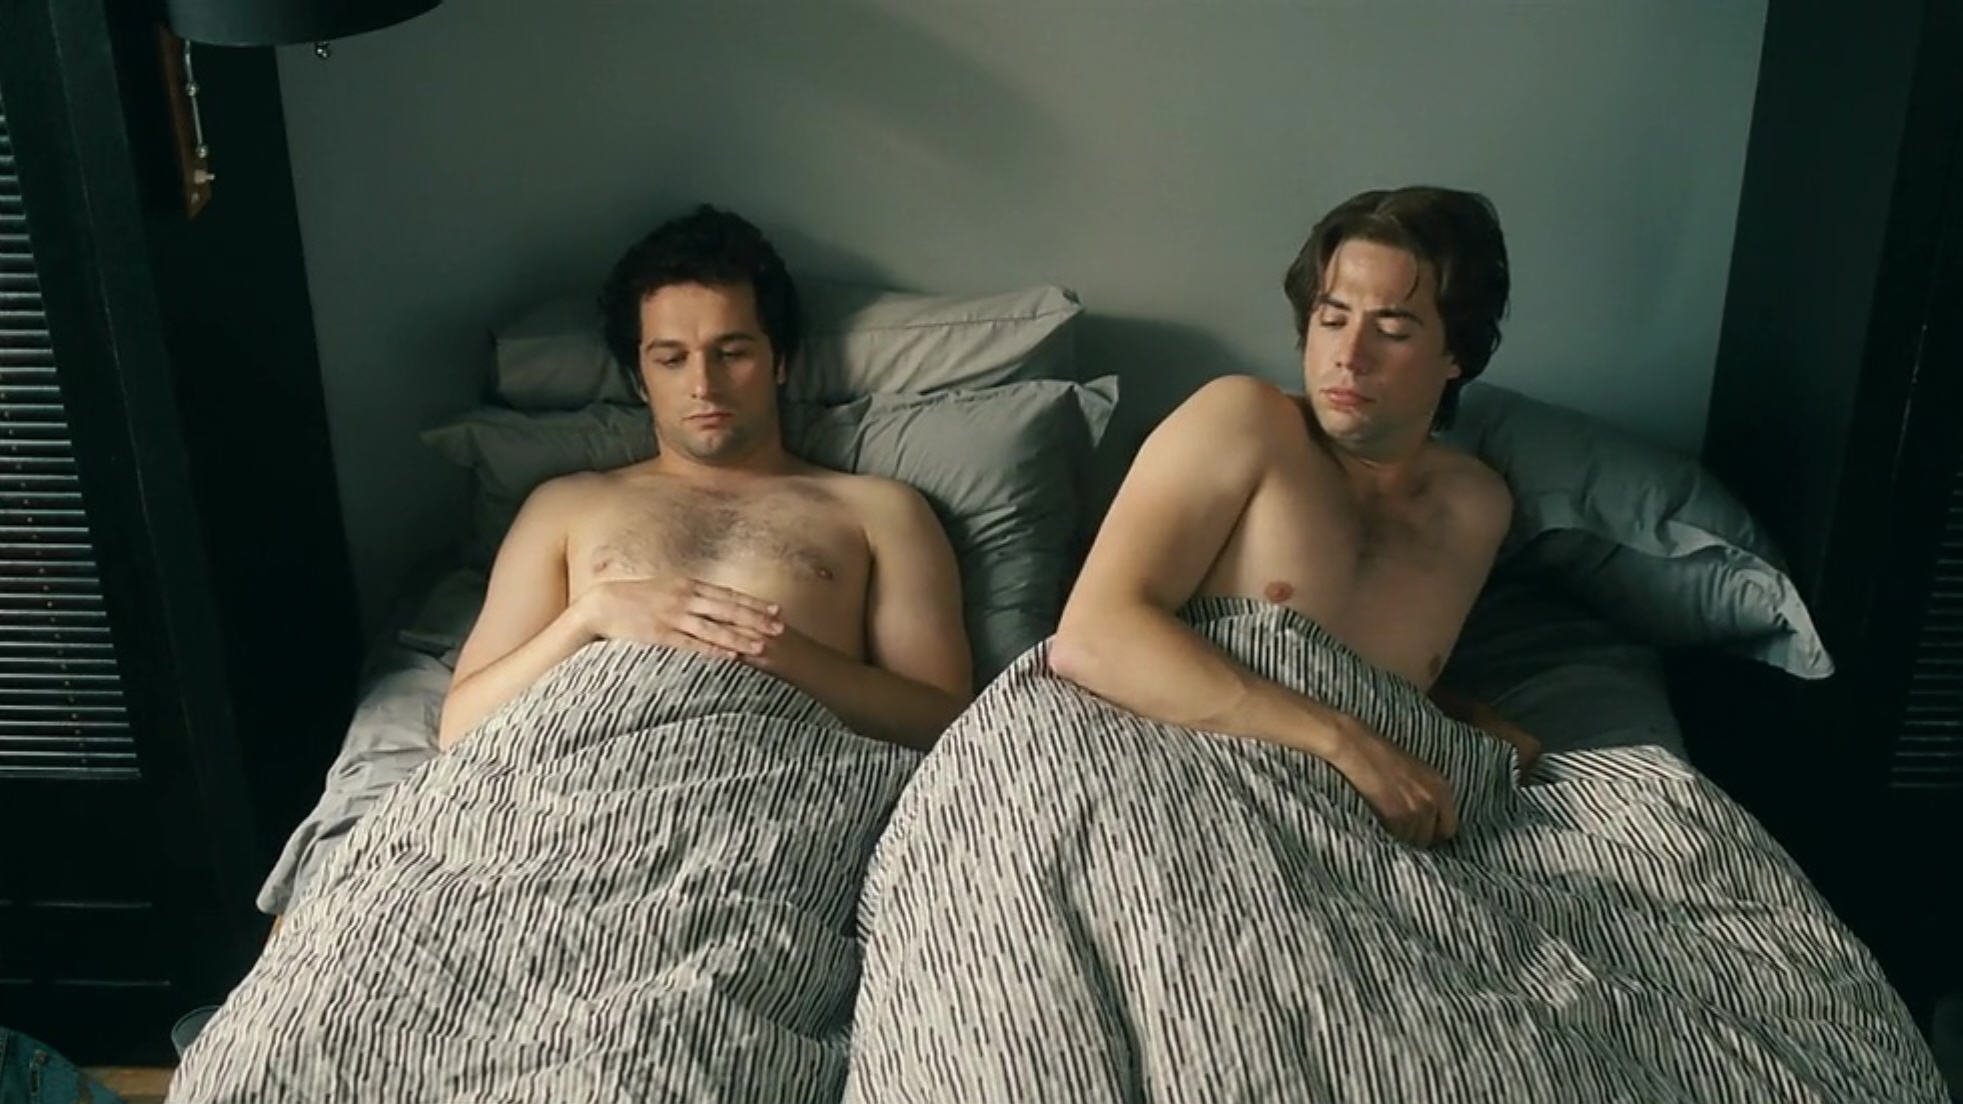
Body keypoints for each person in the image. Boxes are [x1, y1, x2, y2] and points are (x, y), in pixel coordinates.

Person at [1050, 185, 1538, 848]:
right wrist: (1341, 742)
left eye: (1392, 330)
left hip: (1322, 814)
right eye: (1332, 320)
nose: (1350, 355)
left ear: (1457, 354)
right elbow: (1093, 637)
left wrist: (1467, 720)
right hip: (1150, 760)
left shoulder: (1475, 507)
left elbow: (1362, 671)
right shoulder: (1246, 420)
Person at [438, 205, 972, 752]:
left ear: (779, 362)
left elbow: (944, 727)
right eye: (671, 360)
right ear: (639, 380)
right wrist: (589, 617)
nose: (704, 385)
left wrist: (781, 654)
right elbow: (461, 727)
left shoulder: (880, 511)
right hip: (586, 773)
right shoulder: (564, 506)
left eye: (732, 353)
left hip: (788, 770)